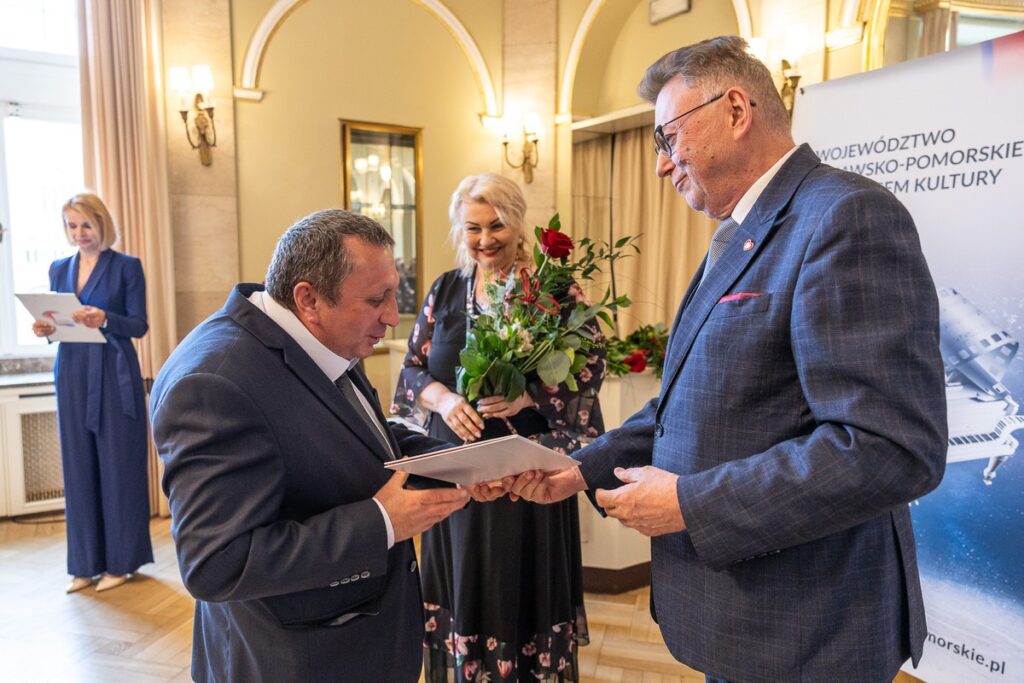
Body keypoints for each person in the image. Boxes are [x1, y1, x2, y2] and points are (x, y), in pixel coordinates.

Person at [508, 36, 948, 683]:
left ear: (736, 110)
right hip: (749, 626)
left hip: (811, 628)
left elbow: (889, 447)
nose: (661, 165)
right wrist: (578, 469)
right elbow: (689, 403)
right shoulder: (736, 235)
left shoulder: (845, 217)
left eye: (666, 138)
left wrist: (691, 504)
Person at [150, 210, 471, 683]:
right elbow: (216, 564)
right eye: (377, 299)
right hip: (296, 660)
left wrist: (463, 465)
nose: (392, 315)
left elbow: (359, 434)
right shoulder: (216, 384)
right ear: (309, 299)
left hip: (359, 644)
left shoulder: (320, 336)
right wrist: (383, 522)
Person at [391, 173, 604, 681]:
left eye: (496, 226)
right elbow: (412, 370)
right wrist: (443, 401)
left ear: (518, 222)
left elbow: (590, 366)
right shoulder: (445, 290)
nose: (485, 239)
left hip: (526, 475)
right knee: (464, 581)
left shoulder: (554, 292)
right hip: (457, 473)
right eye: (473, 228)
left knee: (520, 579)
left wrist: (528, 395)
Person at [32, 192, 152, 594]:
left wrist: (106, 318)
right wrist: (46, 330)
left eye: (86, 224)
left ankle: (122, 562)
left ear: (102, 224)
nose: (79, 233)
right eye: (72, 225)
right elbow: (57, 320)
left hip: (114, 372)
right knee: (78, 467)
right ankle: (84, 565)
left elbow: (138, 325)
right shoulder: (58, 268)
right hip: (72, 373)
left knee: (118, 467)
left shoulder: (127, 267)